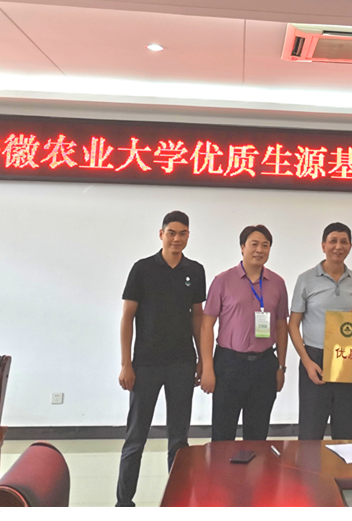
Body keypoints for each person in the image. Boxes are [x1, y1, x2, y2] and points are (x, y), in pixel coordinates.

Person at [116, 210, 206, 507]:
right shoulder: (142, 269)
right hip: (145, 364)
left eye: (183, 233)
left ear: (188, 236)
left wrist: (202, 359)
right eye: (171, 233)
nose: (177, 239)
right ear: (161, 234)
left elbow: (197, 317)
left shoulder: (195, 270)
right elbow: (127, 318)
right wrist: (126, 363)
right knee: (135, 438)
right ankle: (124, 503)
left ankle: (178, 502)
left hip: (182, 364)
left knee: (179, 440)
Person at [199, 224, 289, 441]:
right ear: (242, 247)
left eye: (265, 245)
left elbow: (281, 326)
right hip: (229, 364)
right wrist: (208, 368)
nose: (259, 250)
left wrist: (281, 367)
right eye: (254, 244)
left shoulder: (277, 283)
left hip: (264, 365)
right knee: (223, 433)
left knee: (258, 434)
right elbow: (206, 326)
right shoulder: (222, 281)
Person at [289, 223, 352, 440]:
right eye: (333, 241)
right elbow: (293, 325)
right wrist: (307, 362)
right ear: (323, 245)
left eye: (344, 242)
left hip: (348, 361)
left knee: (344, 431)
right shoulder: (306, 279)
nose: (338, 247)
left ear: (350, 246)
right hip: (315, 359)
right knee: (311, 432)